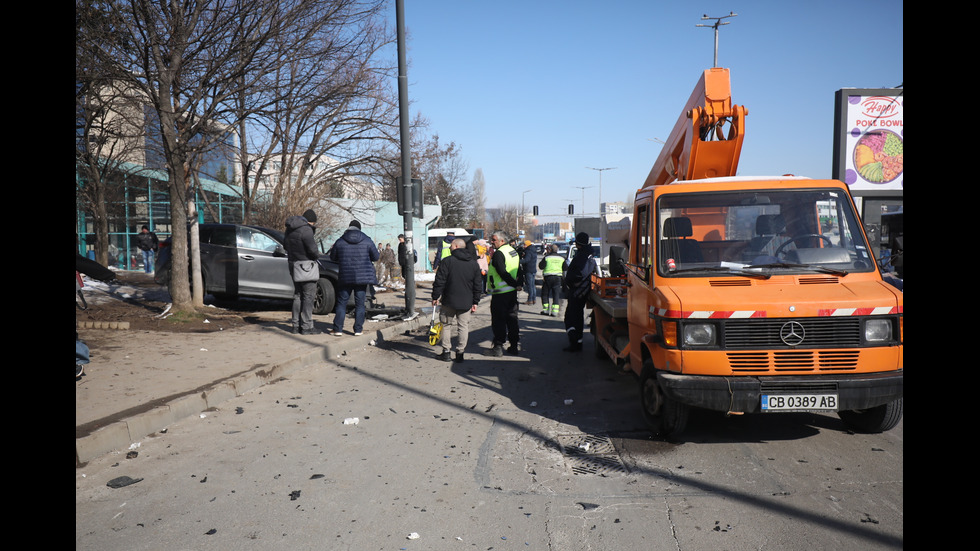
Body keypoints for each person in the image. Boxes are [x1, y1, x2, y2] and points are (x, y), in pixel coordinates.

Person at [431, 238, 483, 362]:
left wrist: (435, 297)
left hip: (449, 300)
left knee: (446, 325)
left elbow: (440, 281)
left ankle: (446, 352)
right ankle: (460, 353)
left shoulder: (447, 261)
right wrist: (475, 301)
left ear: (455, 246)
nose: (449, 247)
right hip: (466, 301)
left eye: (450, 245)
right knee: (463, 327)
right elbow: (478, 285)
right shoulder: (473, 263)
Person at [328, 220, 380, 336]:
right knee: (360, 304)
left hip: (345, 277)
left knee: (341, 303)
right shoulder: (367, 240)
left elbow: (333, 257)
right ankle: (358, 329)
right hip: (362, 278)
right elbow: (376, 256)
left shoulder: (340, 241)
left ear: (349, 228)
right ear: (359, 229)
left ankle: (337, 329)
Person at [483, 230, 523, 356]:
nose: (491, 242)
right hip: (511, 293)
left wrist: (515, 284)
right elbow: (519, 270)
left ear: (502, 241)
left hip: (501, 293)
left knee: (499, 321)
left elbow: (502, 272)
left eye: (494, 240)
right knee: (512, 319)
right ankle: (514, 346)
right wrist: (518, 283)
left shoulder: (499, 254)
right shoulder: (512, 251)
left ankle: (498, 348)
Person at [285, 209, 321, 335]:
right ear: (311, 221)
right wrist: (316, 255)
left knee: (298, 295)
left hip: (292, 264)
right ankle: (307, 326)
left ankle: (295, 325)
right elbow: (313, 250)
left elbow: (285, 246)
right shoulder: (307, 230)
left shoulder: (289, 228)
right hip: (306, 266)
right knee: (308, 296)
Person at [563, 232, 598, 352]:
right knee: (576, 316)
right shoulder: (587, 254)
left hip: (578, 290)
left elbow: (581, 273)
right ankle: (577, 342)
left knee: (571, 317)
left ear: (579, 243)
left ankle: (574, 341)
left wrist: (571, 280)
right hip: (580, 289)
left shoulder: (583, 256)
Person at [539, 243, 567, 316]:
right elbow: (565, 268)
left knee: (545, 294)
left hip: (548, 278)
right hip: (558, 278)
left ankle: (546, 311)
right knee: (556, 294)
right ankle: (554, 312)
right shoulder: (561, 258)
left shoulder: (547, 257)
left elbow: (541, 266)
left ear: (550, 250)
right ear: (557, 250)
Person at [520, 239, 538, 305]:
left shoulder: (528, 251)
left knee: (530, 286)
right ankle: (534, 299)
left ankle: (530, 300)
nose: (524, 246)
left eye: (524, 245)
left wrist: (518, 261)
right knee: (533, 286)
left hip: (528, 270)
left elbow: (526, 260)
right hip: (533, 269)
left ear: (527, 245)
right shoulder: (533, 250)